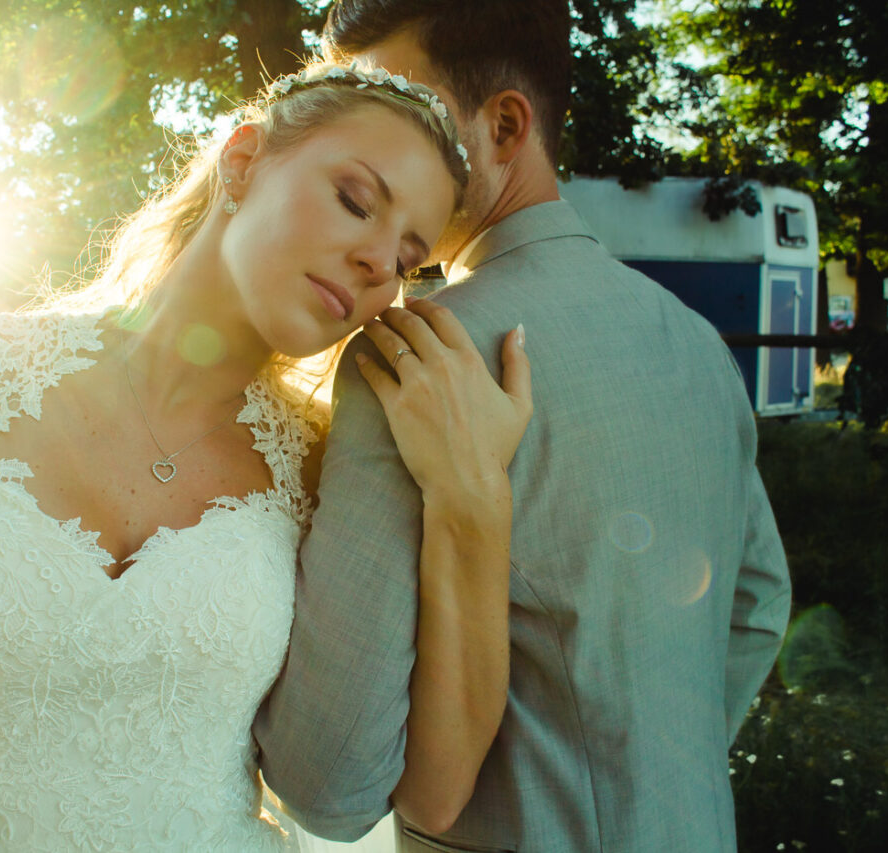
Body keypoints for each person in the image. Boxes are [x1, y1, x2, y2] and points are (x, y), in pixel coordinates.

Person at [0, 62, 532, 851]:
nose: (378, 265)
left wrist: (473, 501)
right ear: (242, 162)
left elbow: (434, 792)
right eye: (355, 200)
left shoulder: (322, 469)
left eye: (407, 261)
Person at [255, 3, 794, 852]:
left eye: (405, 105)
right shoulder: (696, 340)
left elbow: (329, 786)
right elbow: (760, 606)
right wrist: (645, 784)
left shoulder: (418, 359)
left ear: (504, 124)